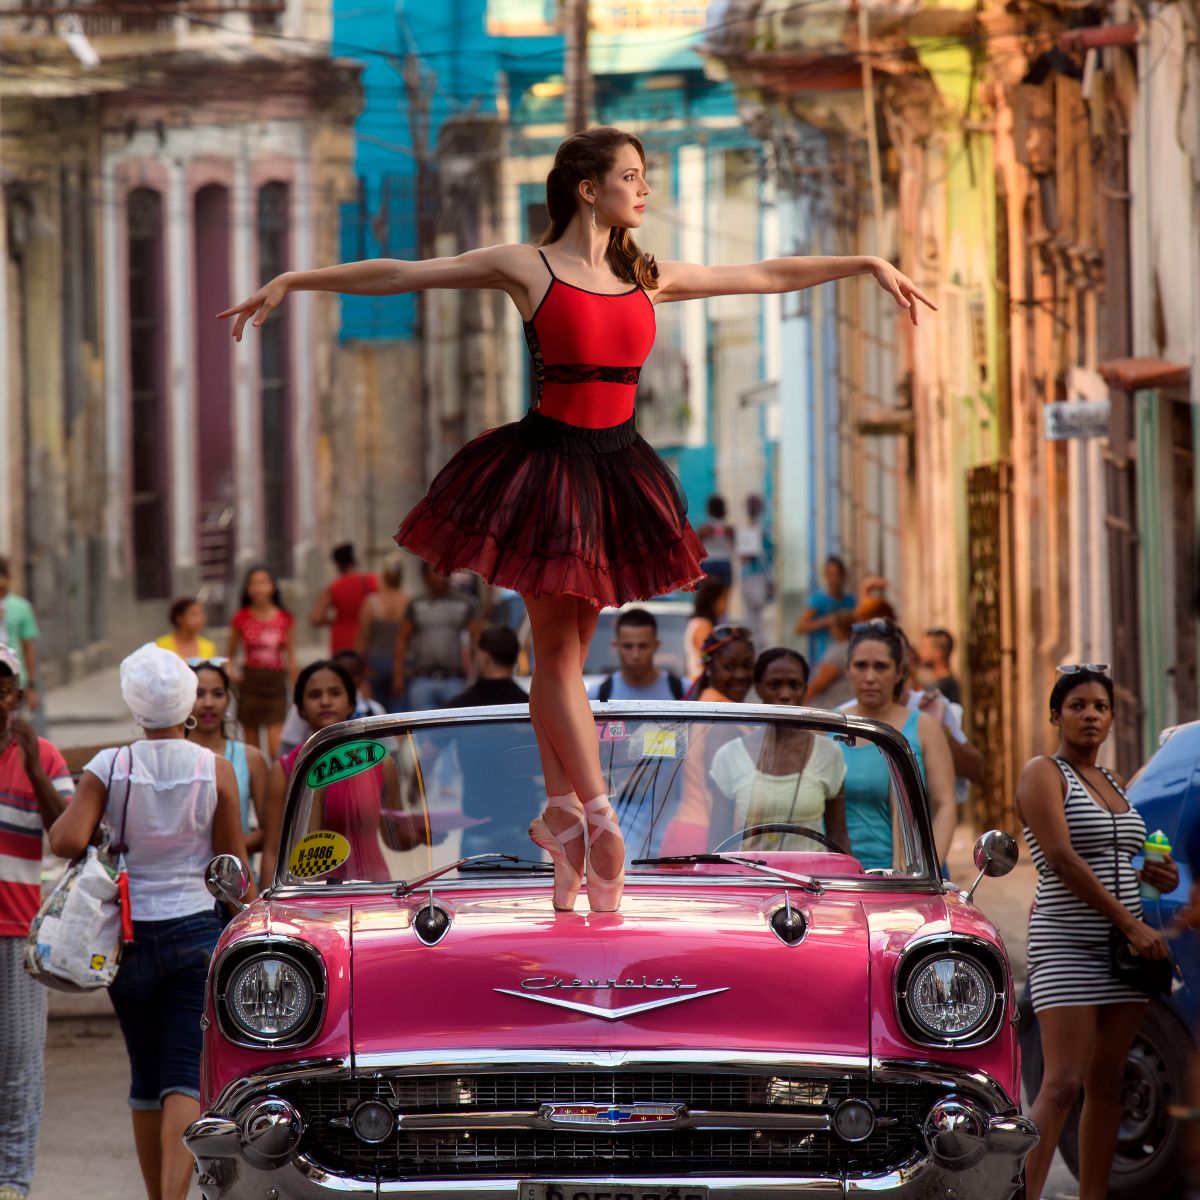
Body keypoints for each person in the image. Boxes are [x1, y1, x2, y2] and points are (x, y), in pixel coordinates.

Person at [221, 124, 933, 913]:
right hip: (548, 471)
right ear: (588, 188)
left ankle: (562, 818)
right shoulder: (529, 266)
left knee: (560, 654)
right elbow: (404, 273)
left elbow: (763, 272)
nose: (646, 189)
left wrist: (866, 263)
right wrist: (296, 278)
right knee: (556, 658)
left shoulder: (646, 275)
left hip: (617, 471)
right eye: (633, 176)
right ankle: (598, 814)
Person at [48, 644, 252, 1200]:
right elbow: (230, 875)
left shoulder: (110, 766)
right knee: (185, 1071)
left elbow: (63, 839)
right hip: (196, 932)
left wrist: (109, 830)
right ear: (188, 704)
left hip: (129, 938)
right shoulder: (217, 769)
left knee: (143, 1076)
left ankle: (156, 1195)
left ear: (133, 706)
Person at [1017, 666, 1177, 1200]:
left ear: (1111, 718)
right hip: (1068, 944)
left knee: (1108, 1083)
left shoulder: (1112, 781)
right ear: (1056, 715)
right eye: (1078, 705)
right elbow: (1061, 859)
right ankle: (1025, 1193)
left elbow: (1116, 856)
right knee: (1061, 1085)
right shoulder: (1044, 773)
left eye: (1100, 707)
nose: (1090, 715)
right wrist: (1130, 921)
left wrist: (1155, 874)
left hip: (1123, 953)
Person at [0, 643, 73, 1200]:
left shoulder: (44, 755)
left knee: (19, 1066)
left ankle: (13, 1183)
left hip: (19, 933)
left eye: (3, 687)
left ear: (17, 697)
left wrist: (30, 767)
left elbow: (68, 837)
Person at [667, 648, 848, 856]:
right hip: (753, 883)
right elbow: (719, 841)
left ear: (805, 689)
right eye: (774, 685)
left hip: (813, 884)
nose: (785, 694)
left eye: (794, 685)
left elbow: (839, 837)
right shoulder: (730, 755)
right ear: (759, 689)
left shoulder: (829, 753)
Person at [258, 660, 405, 886]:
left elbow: (396, 837)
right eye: (315, 695)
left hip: (373, 893)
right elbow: (271, 852)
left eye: (335, 693)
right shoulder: (285, 769)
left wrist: (426, 832)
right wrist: (269, 906)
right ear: (300, 710)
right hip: (310, 898)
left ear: (350, 703)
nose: (325, 701)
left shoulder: (379, 763)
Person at [840, 618, 956, 869]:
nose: (870, 676)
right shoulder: (831, 727)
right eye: (861, 666)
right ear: (847, 669)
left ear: (899, 672)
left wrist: (926, 871)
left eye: (881, 666)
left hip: (904, 878)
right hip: (837, 880)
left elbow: (945, 805)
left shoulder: (924, 726)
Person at [187, 659, 268, 859]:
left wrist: (227, 850)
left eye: (218, 694)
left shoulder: (251, 758)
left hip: (238, 881)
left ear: (228, 699)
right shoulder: (172, 757)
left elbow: (270, 832)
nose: (208, 703)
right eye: (199, 694)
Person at [227, 564, 296, 759]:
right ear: (247, 589)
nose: (259, 588)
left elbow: (291, 658)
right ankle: (257, 789)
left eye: (263, 582)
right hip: (250, 685)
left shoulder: (285, 618)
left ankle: (279, 787)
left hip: (275, 686)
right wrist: (232, 672)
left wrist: (297, 691)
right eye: (254, 583)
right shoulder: (240, 618)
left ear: (273, 586)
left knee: (277, 750)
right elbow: (230, 655)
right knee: (253, 753)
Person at [393, 565, 479, 712]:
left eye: (442, 572)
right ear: (425, 578)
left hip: (454, 679)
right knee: (422, 731)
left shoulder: (464, 603)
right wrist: (398, 676)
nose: (440, 577)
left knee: (455, 727)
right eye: (435, 573)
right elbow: (402, 639)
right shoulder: (416, 604)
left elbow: (476, 639)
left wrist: (477, 675)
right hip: (422, 679)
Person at [588, 608, 685, 701]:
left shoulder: (684, 691)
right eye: (628, 646)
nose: (635, 655)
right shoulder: (597, 695)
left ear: (656, 645)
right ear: (615, 646)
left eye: (643, 646)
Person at [356, 557, 408, 710]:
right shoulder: (408, 601)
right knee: (401, 714)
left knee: (378, 713)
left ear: (384, 575)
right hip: (403, 664)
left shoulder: (372, 602)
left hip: (376, 663)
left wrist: (359, 672)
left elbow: (362, 639)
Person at [310, 542, 378, 657]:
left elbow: (316, 618)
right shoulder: (372, 581)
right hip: (368, 638)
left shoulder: (334, 587)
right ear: (354, 560)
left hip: (342, 641)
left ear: (337, 564)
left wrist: (333, 621)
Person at [445, 626, 529, 709]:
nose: (475, 659)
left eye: (475, 653)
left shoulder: (457, 708)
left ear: (486, 658)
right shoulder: (528, 707)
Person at [795, 555, 857, 666]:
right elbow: (800, 627)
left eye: (836, 575)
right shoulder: (818, 600)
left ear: (843, 576)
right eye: (829, 575)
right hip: (825, 658)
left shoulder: (851, 601)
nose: (833, 580)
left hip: (847, 657)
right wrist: (827, 621)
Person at [0, 555, 40, 718]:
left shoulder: (20, 607)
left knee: (15, 731)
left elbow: (28, 648)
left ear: (8, 579)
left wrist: (31, 686)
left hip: (16, 682)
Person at [688, 625, 756, 703]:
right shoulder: (717, 708)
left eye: (748, 665)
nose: (740, 675)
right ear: (708, 666)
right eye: (729, 667)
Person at [805, 609, 855, 710]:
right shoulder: (856, 647)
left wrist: (802, 702)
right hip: (849, 706)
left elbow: (819, 684)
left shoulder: (838, 652)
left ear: (838, 628)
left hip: (834, 709)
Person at [685, 578, 729, 685]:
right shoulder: (703, 625)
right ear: (713, 600)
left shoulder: (699, 622)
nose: (726, 603)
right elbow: (705, 654)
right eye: (724, 598)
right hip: (702, 682)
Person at [155, 597, 217, 662]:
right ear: (179, 618)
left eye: (202, 613)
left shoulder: (208, 646)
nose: (200, 619)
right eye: (194, 614)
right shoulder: (161, 645)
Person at [696, 495, 736, 587]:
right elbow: (736, 547)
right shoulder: (729, 530)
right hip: (724, 562)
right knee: (723, 595)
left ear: (709, 510)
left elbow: (695, 547)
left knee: (705, 594)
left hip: (707, 563)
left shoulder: (703, 529)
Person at [917, 626, 962, 705]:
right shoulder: (946, 684)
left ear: (938, 653)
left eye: (924, 647)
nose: (919, 651)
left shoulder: (940, 689)